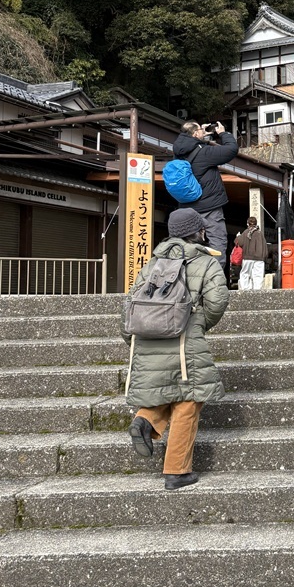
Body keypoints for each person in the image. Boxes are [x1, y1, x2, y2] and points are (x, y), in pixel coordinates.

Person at [125, 207, 229, 490]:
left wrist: (132, 336)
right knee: (188, 401)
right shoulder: (205, 262)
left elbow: (131, 303)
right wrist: (198, 323)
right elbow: (217, 302)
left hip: (147, 337)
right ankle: (177, 472)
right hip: (185, 340)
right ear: (198, 232)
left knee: (165, 389)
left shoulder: (152, 264)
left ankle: (145, 420)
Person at [171, 120, 239, 268]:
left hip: (186, 207)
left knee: (188, 243)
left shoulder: (178, 152)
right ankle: (214, 275)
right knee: (217, 241)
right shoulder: (204, 152)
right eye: (200, 130)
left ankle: (187, 273)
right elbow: (231, 149)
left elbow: (192, 144)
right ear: (195, 133)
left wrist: (202, 135)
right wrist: (223, 133)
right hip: (209, 206)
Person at [234, 216, 268, 291]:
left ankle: (245, 290)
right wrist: (264, 257)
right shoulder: (260, 234)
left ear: (247, 224)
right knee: (258, 276)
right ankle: (257, 292)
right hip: (259, 258)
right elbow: (265, 247)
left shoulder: (246, 232)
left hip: (247, 257)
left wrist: (238, 236)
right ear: (256, 224)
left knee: (245, 274)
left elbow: (240, 243)